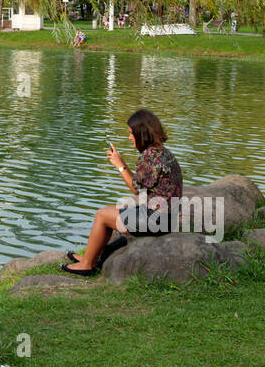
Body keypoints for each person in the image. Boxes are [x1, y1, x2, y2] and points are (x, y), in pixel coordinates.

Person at [62, 109, 184, 276]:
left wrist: (119, 166)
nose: (129, 137)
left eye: (131, 133)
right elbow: (144, 183)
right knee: (116, 209)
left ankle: (87, 265)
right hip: (167, 219)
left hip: (157, 220)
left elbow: (135, 188)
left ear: (141, 134)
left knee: (102, 215)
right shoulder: (163, 153)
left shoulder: (149, 157)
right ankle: (89, 257)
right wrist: (123, 164)